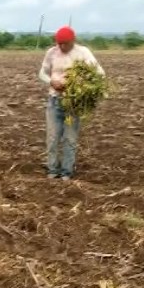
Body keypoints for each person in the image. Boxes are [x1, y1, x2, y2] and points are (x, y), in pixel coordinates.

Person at [38, 26, 105, 180]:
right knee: (52, 137)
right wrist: (51, 81)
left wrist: (80, 83)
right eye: (59, 44)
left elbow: (99, 73)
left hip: (73, 103)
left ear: (73, 41)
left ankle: (67, 172)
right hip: (54, 100)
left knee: (70, 138)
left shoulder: (83, 53)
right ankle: (52, 170)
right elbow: (42, 73)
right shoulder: (52, 53)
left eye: (65, 44)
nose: (62, 47)